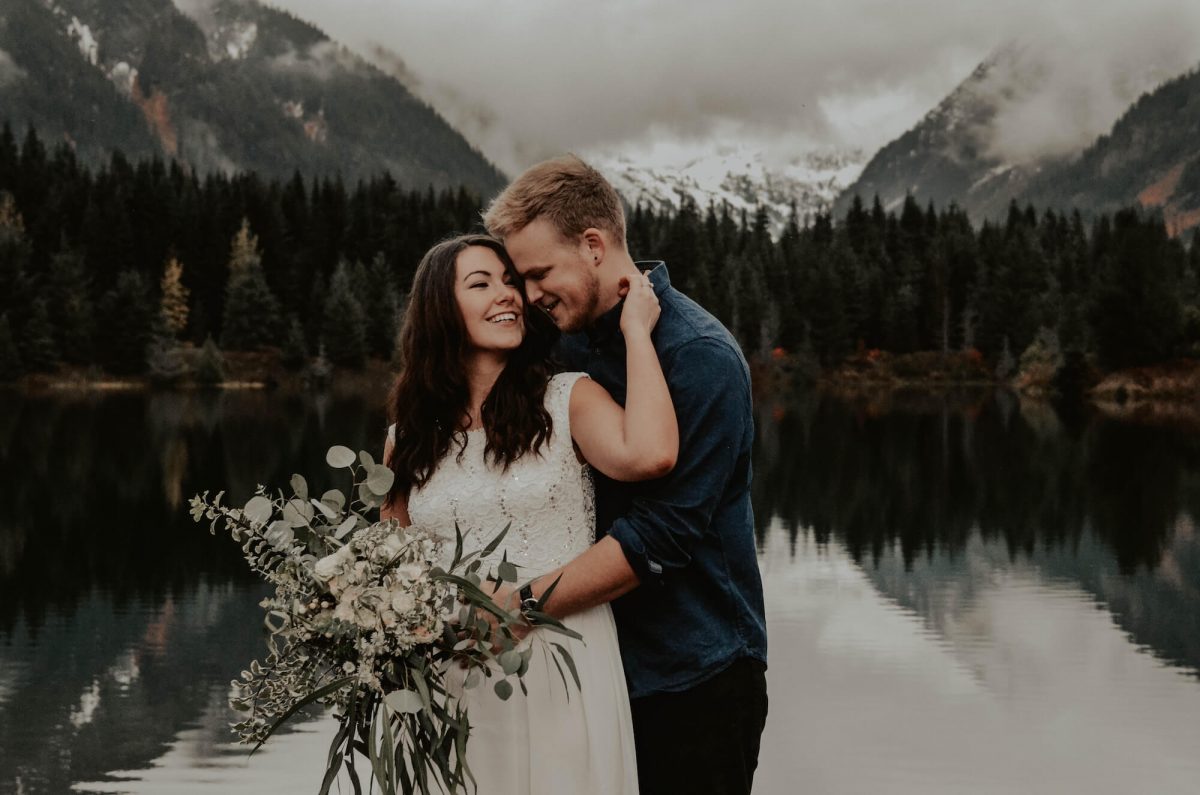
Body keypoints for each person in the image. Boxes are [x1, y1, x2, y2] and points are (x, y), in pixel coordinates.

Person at [483, 155, 769, 795]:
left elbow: (661, 535)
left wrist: (521, 605)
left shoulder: (701, 357)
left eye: (539, 274)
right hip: (585, 674)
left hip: (695, 678)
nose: (530, 297)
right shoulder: (564, 337)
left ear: (593, 246)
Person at [380, 233, 676, 794]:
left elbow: (652, 453)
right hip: (452, 679)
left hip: (560, 665)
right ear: (441, 309)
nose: (508, 295)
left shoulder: (568, 400)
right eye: (481, 283)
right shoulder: (407, 440)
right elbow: (390, 571)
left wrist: (636, 333)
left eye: (510, 281)